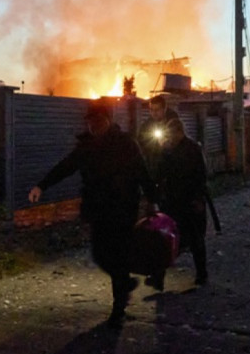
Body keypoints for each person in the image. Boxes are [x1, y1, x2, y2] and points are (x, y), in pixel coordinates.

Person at [28, 100, 158, 328]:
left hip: (122, 208)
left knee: (117, 255)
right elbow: (66, 166)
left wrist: (152, 201)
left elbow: (141, 171)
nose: (93, 126)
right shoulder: (86, 147)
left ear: (108, 121)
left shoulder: (125, 143)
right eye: (90, 122)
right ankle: (125, 283)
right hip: (97, 209)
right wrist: (41, 185)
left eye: (98, 121)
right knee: (100, 254)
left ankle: (119, 307)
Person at [151, 117, 209, 289]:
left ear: (179, 132)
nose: (169, 137)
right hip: (171, 202)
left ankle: (201, 274)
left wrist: (198, 199)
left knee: (195, 239)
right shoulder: (167, 150)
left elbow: (201, 176)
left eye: (171, 134)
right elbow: (159, 173)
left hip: (189, 201)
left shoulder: (192, 149)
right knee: (165, 239)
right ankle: (158, 278)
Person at [138, 94, 179, 180]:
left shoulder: (174, 124)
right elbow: (141, 144)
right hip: (153, 167)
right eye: (151, 110)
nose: (154, 113)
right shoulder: (146, 126)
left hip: (172, 169)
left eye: (157, 110)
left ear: (164, 109)